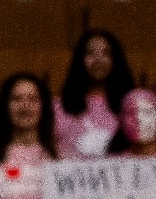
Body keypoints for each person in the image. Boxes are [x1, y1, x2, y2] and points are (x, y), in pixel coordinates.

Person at [55, 30, 134, 160]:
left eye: (106, 53)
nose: (98, 60)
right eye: (90, 53)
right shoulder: (58, 106)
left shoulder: (132, 104)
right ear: (79, 60)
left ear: (116, 60)